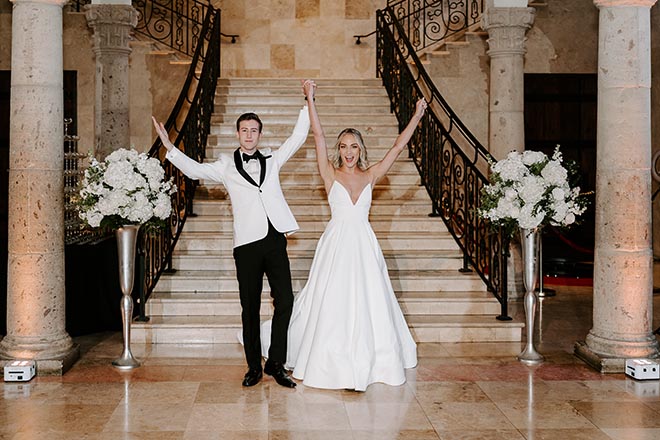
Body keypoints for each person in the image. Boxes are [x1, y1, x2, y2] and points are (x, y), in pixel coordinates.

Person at [151, 80, 313, 388]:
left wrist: (308, 100)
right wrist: (169, 147)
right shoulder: (226, 165)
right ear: (237, 134)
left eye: (254, 130)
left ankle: (276, 363)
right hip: (247, 245)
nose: (250, 135)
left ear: (259, 134)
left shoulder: (271, 159)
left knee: (286, 301)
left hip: (275, 238)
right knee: (249, 307)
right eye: (245, 130)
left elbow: (298, 136)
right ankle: (254, 366)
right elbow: (196, 171)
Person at [274, 80, 426, 391]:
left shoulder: (371, 175)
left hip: (364, 244)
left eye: (353, 146)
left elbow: (398, 147)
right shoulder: (330, 172)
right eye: (343, 146)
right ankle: (330, 359)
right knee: (332, 301)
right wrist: (310, 97)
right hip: (337, 243)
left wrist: (417, 115)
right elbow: (317, 135)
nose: (348, 152)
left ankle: (370, 359)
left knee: (369, 300)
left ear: (361, 149)